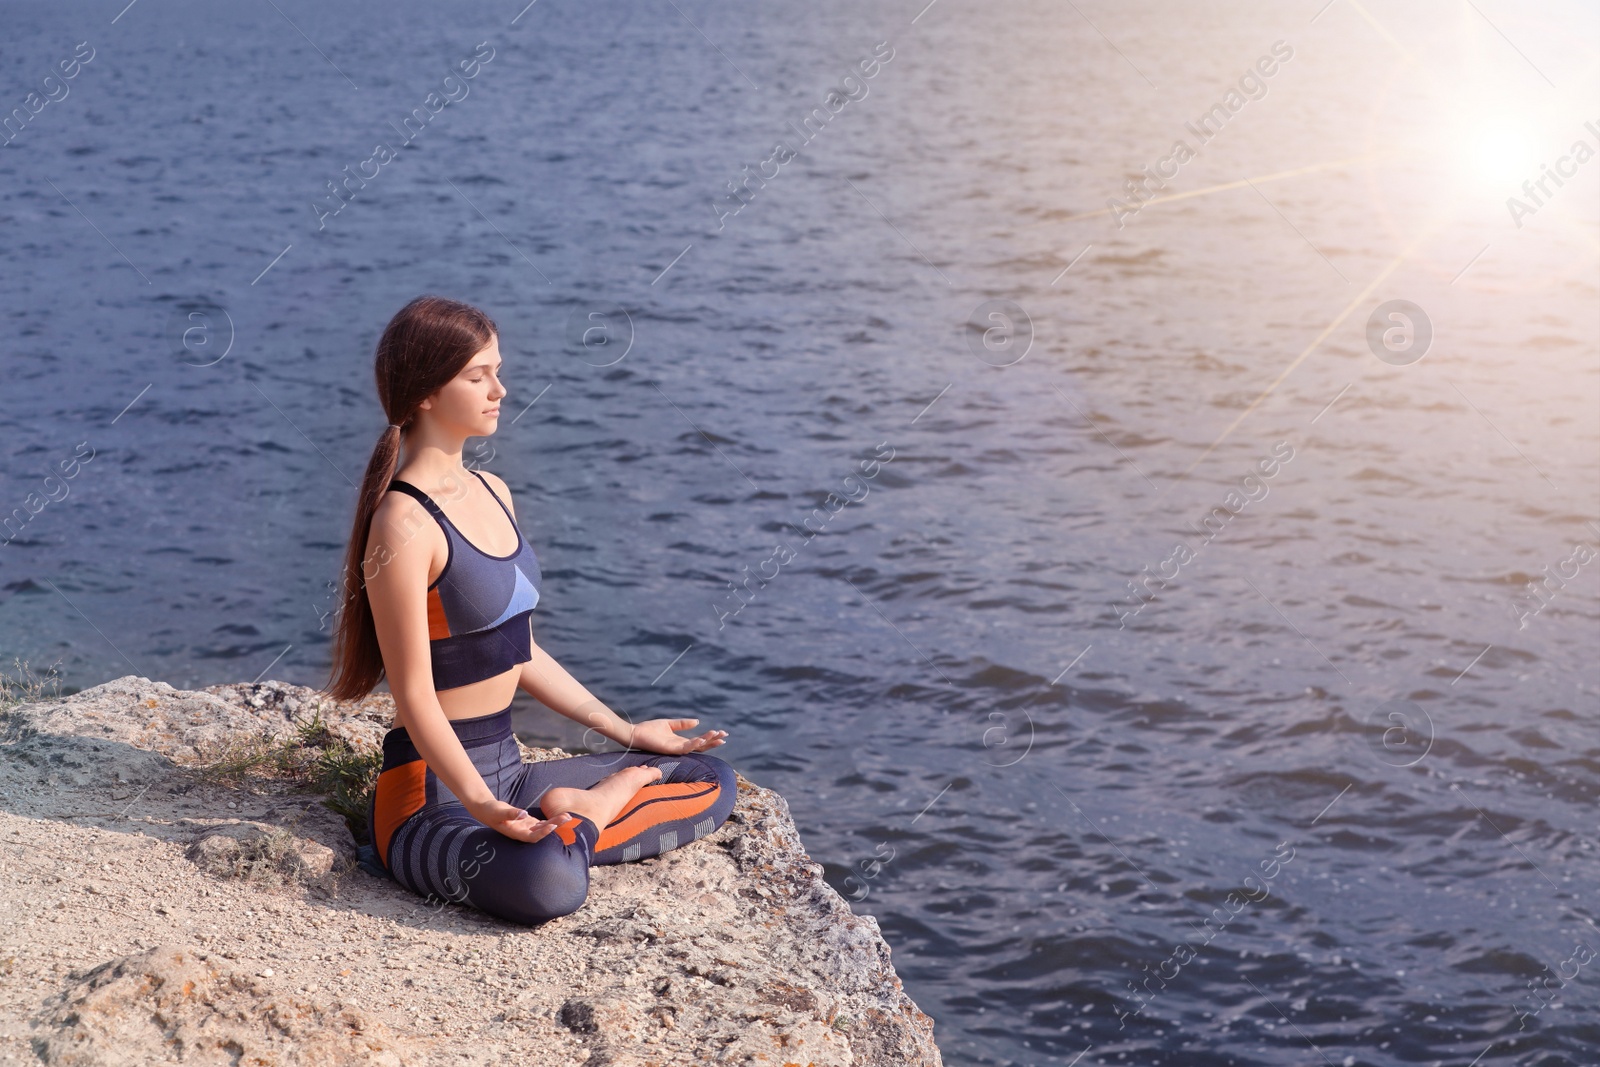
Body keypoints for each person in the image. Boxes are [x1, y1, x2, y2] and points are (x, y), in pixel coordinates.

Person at [321, 294, 736, 924]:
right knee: (547, 884)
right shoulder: (402, 523)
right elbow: (414, 698)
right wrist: (484, 809)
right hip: (430, 800)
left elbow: (523, 651)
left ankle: (575, 812)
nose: (500, 390)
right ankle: (591, 812)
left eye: (497, 370)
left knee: (707, 775)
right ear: (427, 393)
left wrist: (626, 733)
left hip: (511, 773)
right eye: (477, 375)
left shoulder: (494, 490)